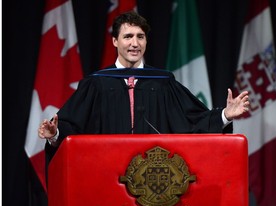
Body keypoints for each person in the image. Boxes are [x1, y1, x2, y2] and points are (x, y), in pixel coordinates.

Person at [39, 11, 249, 161]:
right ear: (115, 41)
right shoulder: (96, 84)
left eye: (140, 37)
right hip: (106, 171)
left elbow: (193, 121)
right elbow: (73, 127)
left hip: (155, 175)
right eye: (128, 36)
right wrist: (55, 134)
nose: (135, 43)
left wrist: (225, 115)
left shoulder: (162, 82)